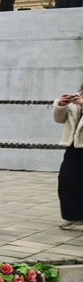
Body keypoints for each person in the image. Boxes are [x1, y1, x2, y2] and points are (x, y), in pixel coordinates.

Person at [54, 87, 83, 228]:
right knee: (66, 179)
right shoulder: (78, 95)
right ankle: (74, 215)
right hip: (75, 146)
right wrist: (61, 105)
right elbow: (59, 119)